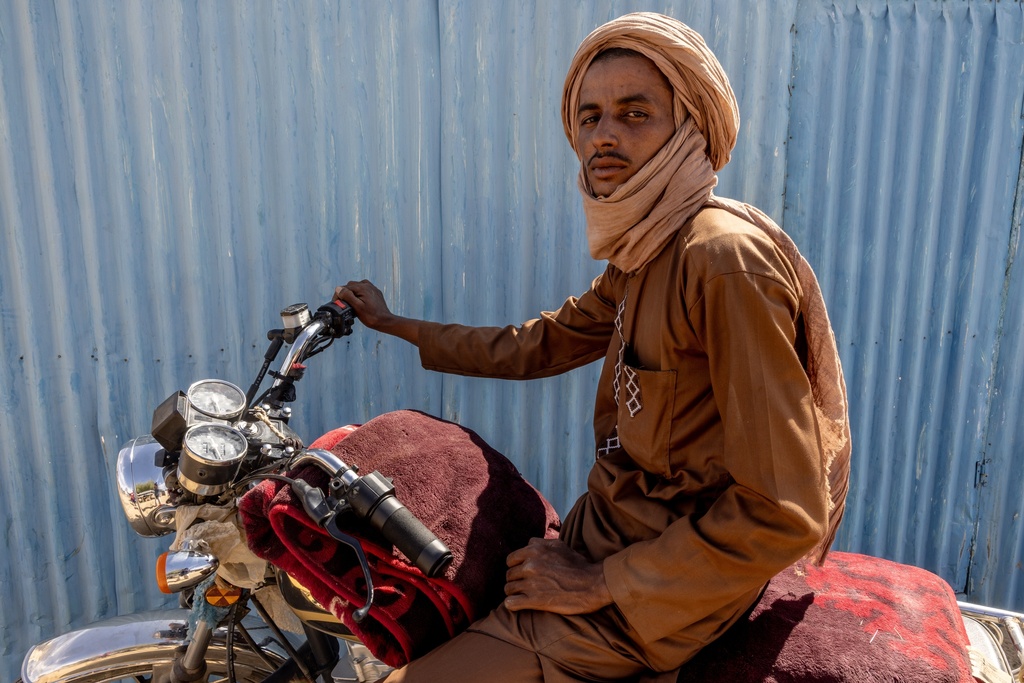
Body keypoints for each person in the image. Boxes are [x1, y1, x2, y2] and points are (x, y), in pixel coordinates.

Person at [334, 11, 851, 683]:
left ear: (688, 127)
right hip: (605, 538)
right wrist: (397, 323)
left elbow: (783, 510)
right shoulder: (646, 249)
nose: (603, 136)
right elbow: (538, 344)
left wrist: (599, 582)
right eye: (589, 117)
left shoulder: (720, 259)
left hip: (654, 600)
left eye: (635, 114)